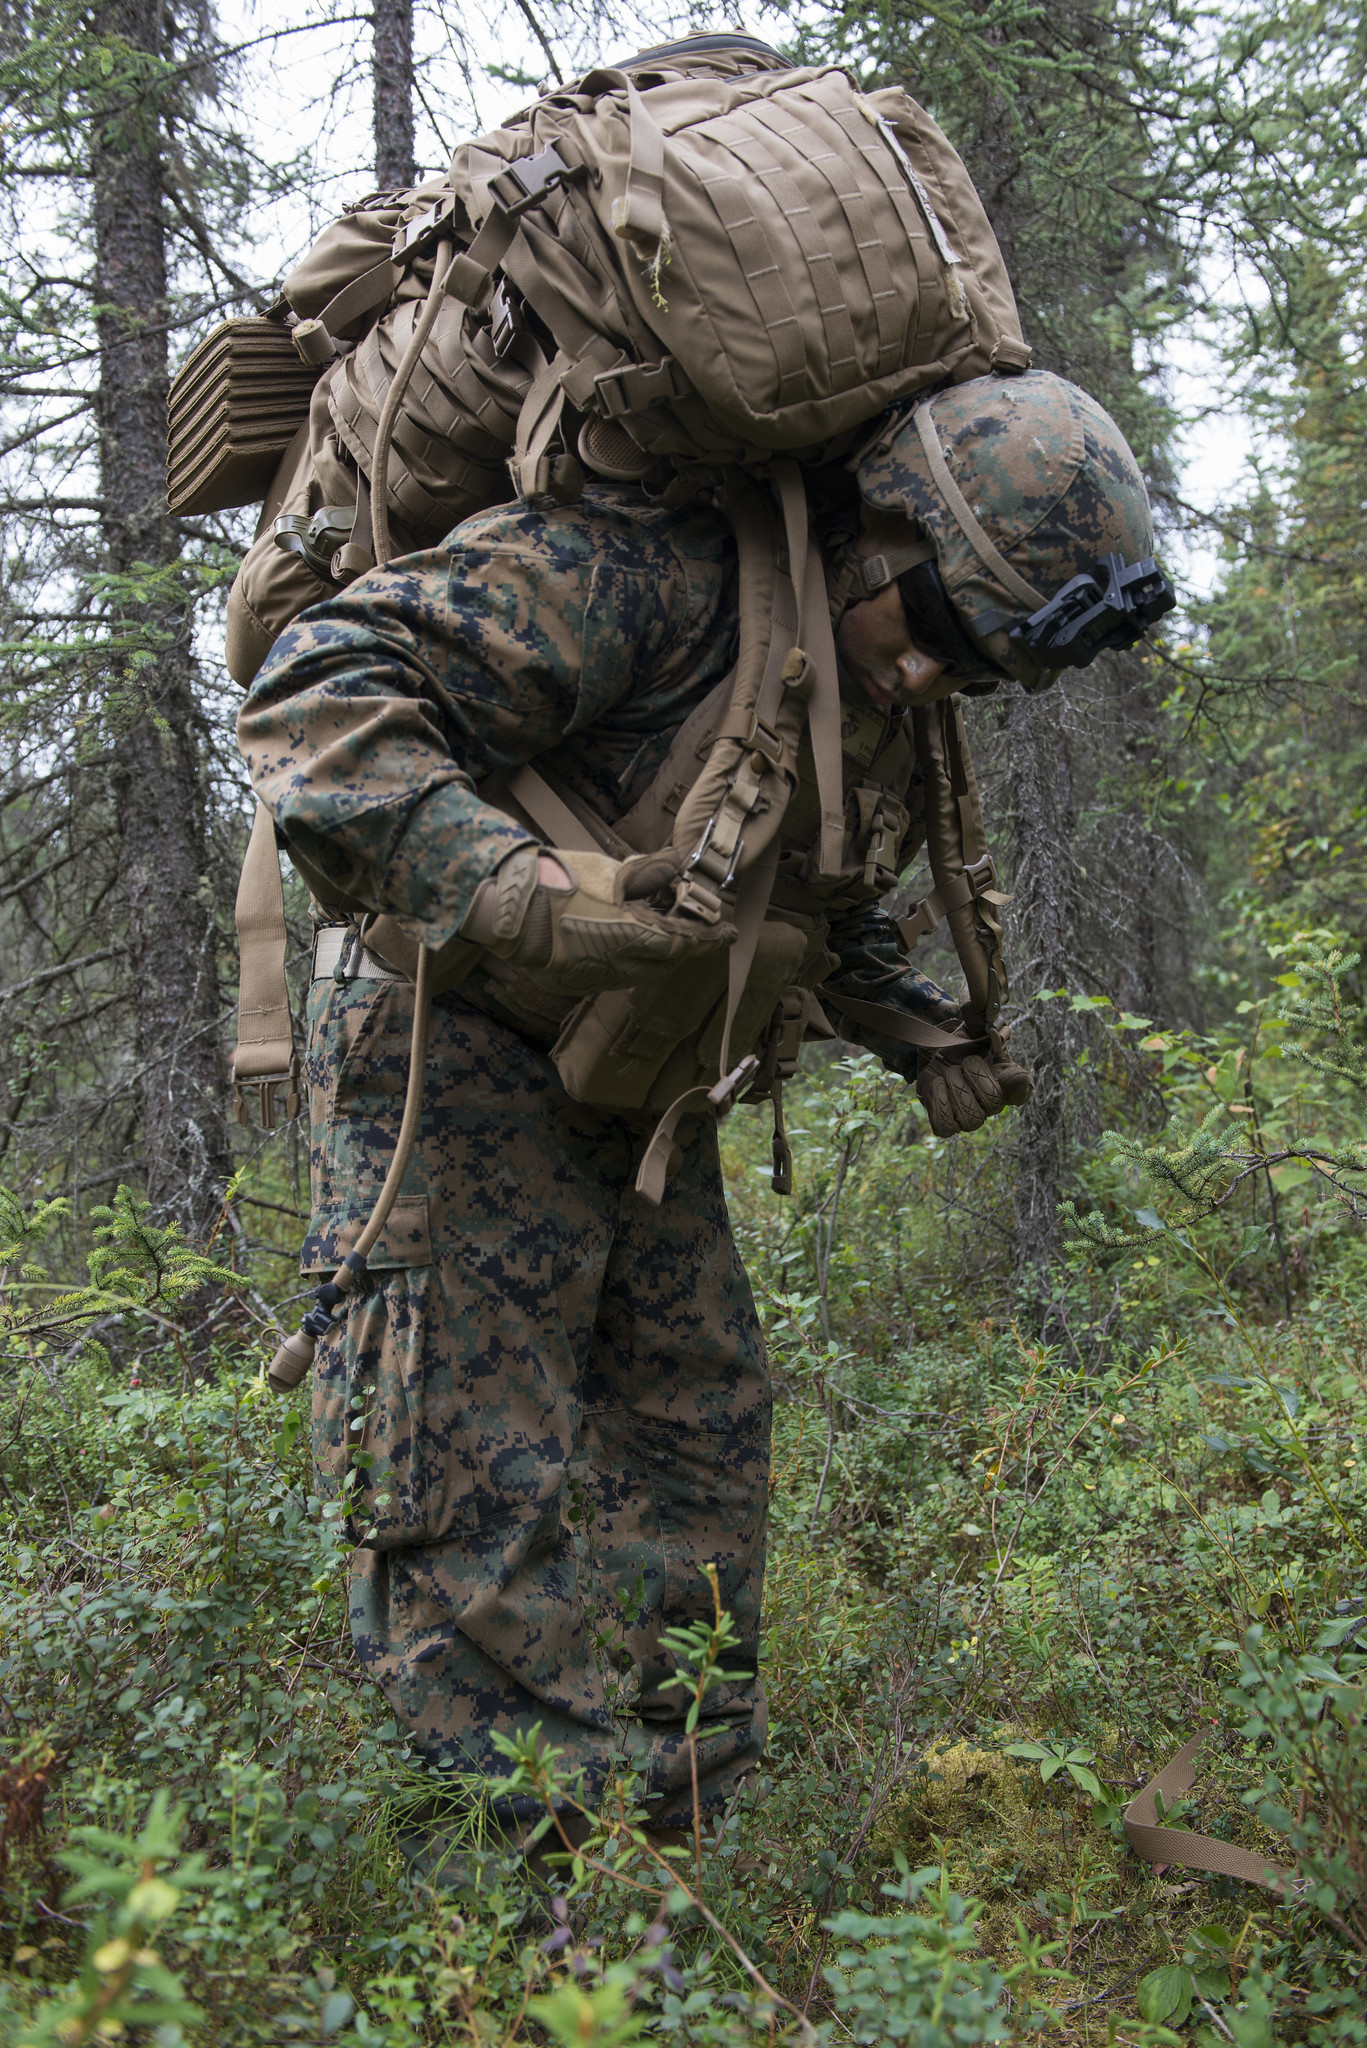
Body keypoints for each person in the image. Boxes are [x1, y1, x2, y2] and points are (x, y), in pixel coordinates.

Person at [236, 366, 1168, 1863]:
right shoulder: (633, 571)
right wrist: (513, 892)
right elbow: (315, 696)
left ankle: (684, 1857)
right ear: (878, 530)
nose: (933, 678)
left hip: (640, 1087)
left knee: (702, 1437)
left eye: (976, 667)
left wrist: (914, 1031)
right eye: (930, 630)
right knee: (476, 1476)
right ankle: (529, 1921)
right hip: (456, 1054)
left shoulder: (864, 680)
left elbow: (811, 872)